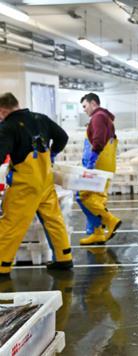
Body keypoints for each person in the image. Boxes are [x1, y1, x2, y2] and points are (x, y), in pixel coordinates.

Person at [0, 92, 73, 276]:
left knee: (11, 224)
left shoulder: (8, 126)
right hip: (45, 181)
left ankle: (2, 265)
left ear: (2, 110)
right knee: (54, 220)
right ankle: (64, 258)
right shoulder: (41, 118)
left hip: (25, 187)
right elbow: (62, 137)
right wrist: (52, 154)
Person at [76, 93, 121, 245]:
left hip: (98, 165)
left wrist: (91, 161)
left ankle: (110, 220)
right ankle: (97, 232)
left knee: (82, 196)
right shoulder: (105, 117)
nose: (84, 110)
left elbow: (98, 140)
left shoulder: (98, 117)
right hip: (106, 165)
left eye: (85, 106)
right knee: (96, 198)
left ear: (93, 103)